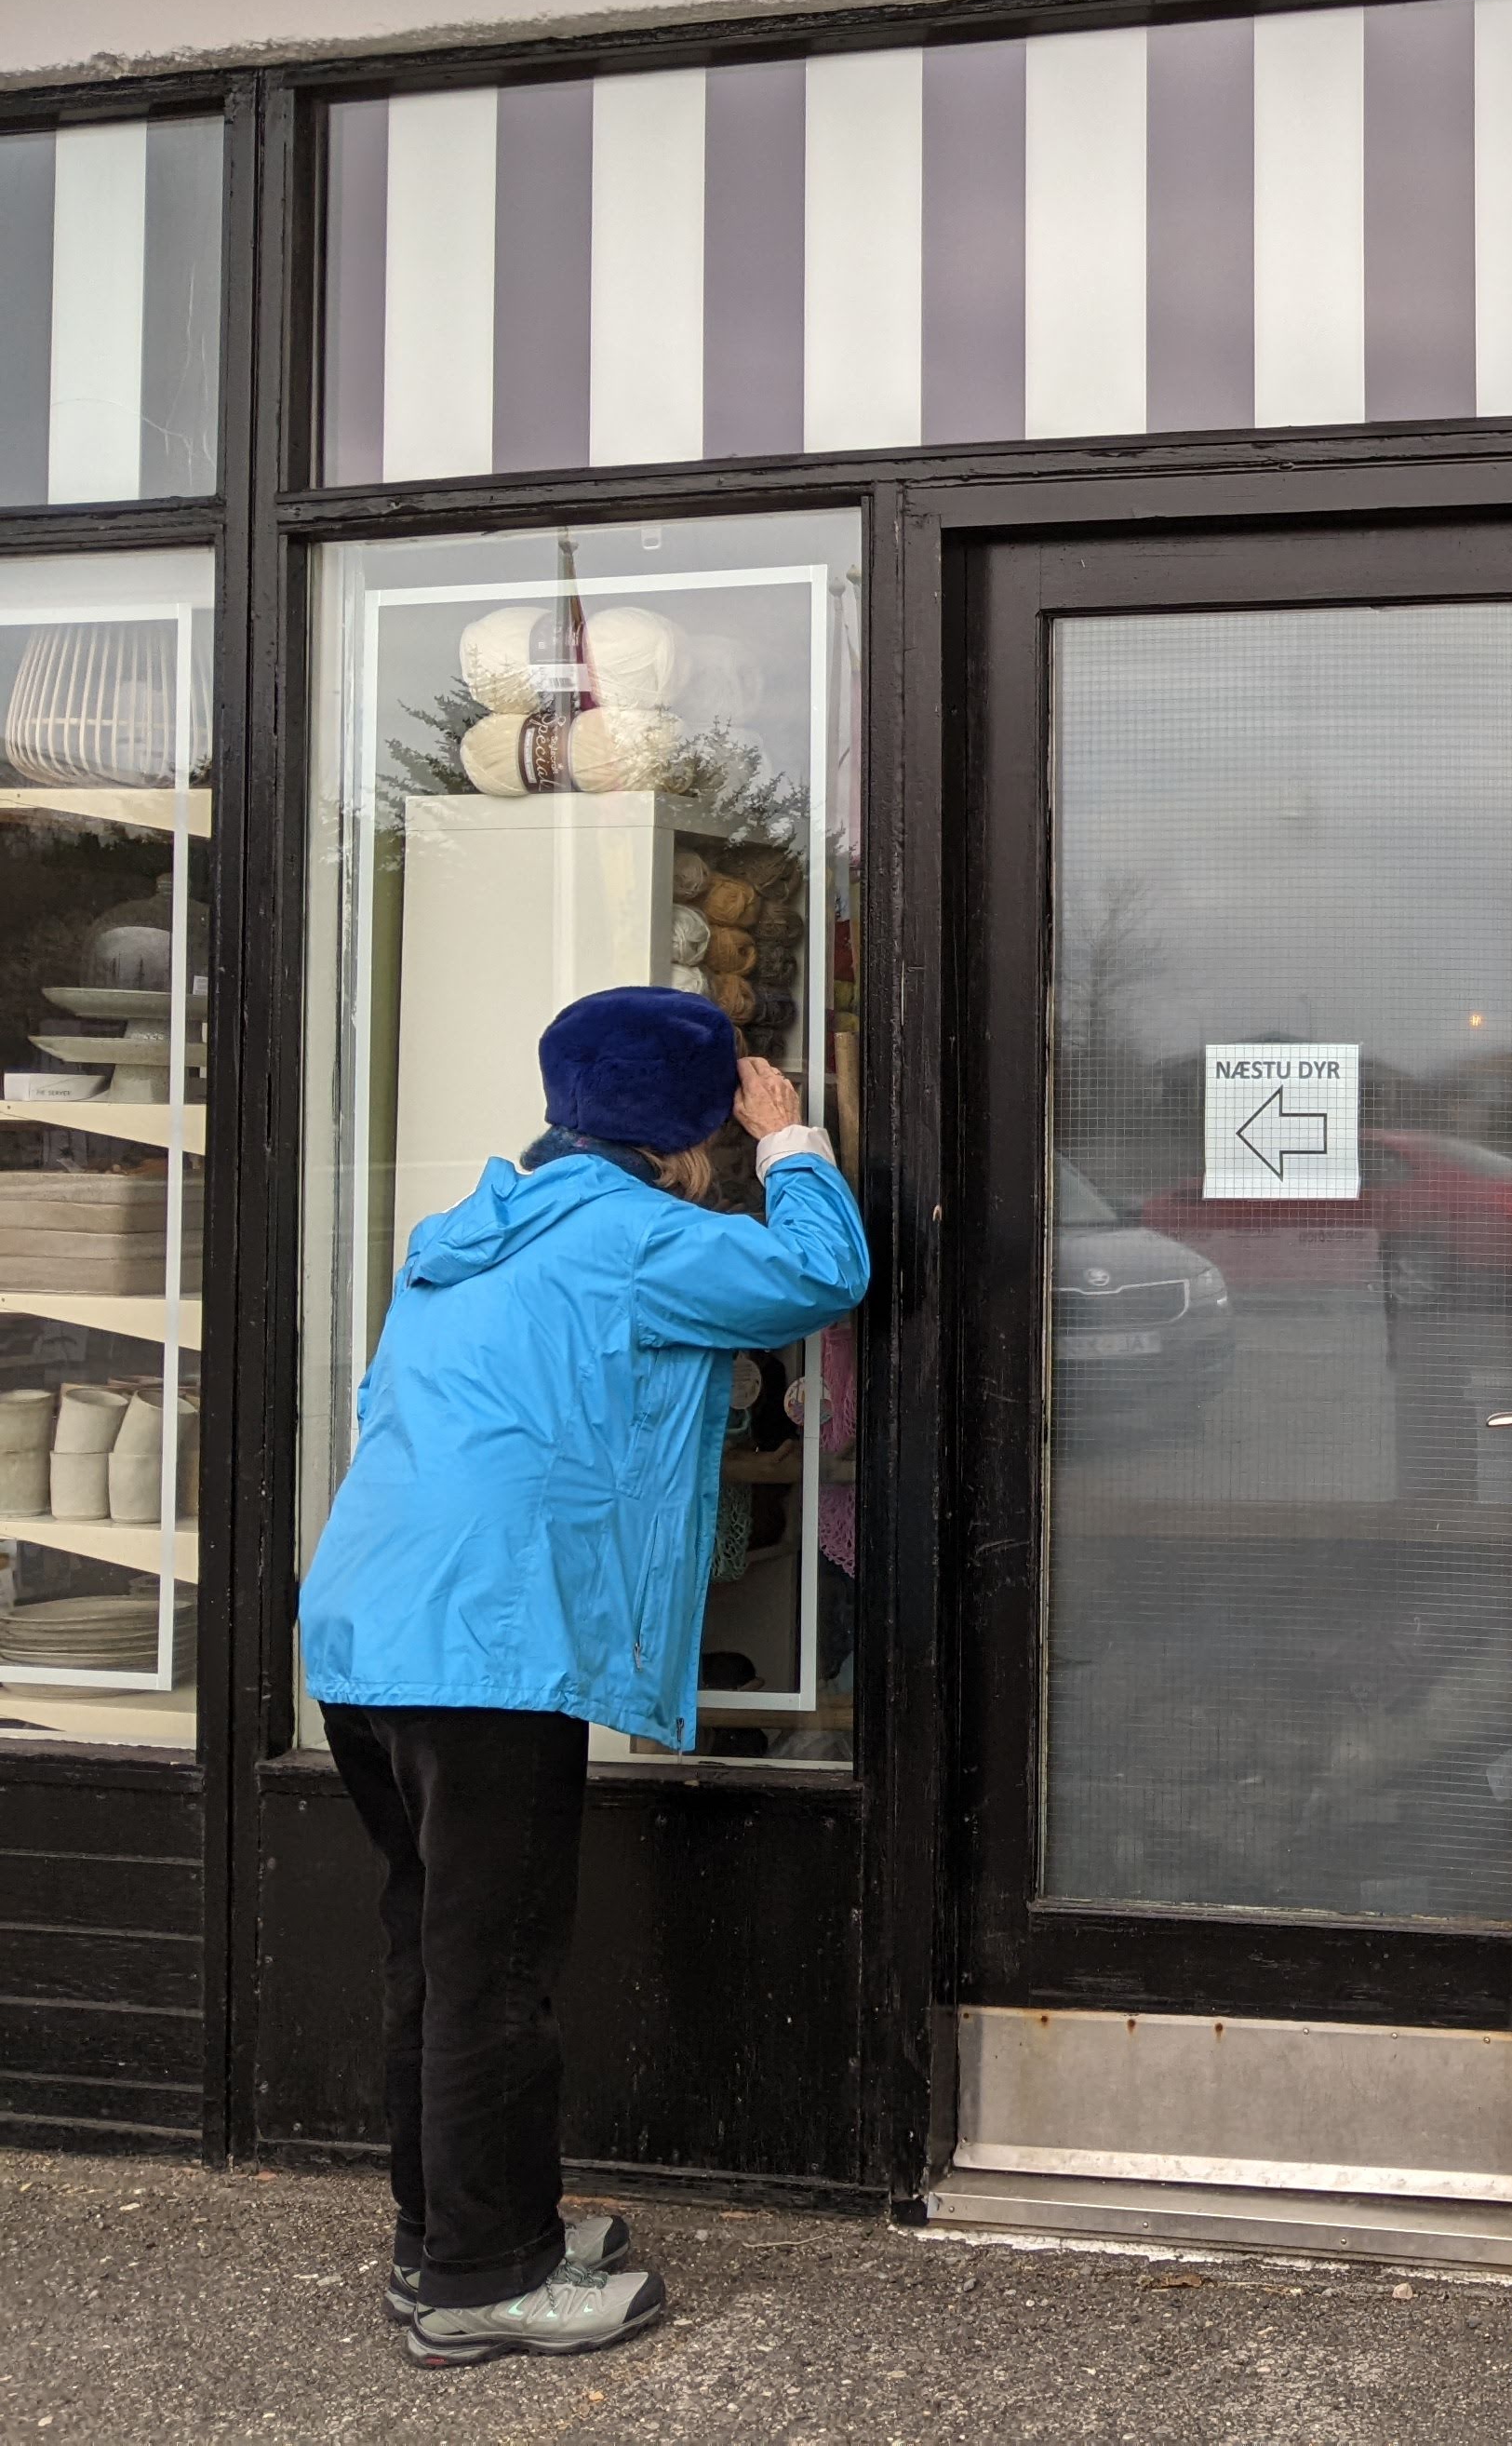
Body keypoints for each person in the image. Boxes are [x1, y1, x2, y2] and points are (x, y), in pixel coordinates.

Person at [297, 986, 872, 2371]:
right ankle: (482, 2288)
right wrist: (791, 1141)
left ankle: (447, 2239)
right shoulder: (640, 1236)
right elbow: (820, 1277)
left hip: (370, 1632)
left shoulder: (470, 1230)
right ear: (692, 1131)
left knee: (431, 1955)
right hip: (484, 1653)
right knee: (494, 1977)